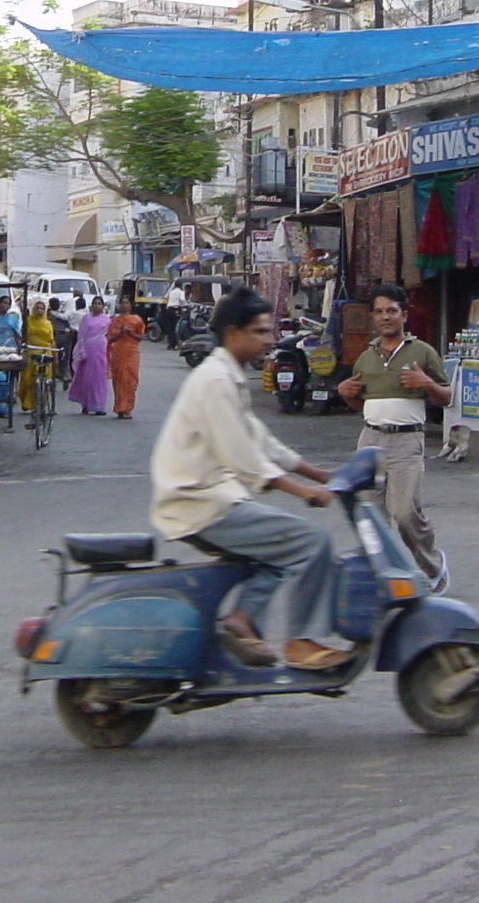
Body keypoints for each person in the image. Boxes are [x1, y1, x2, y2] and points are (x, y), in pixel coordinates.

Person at [150, 286, 350, 671]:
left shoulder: (229, 377)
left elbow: (262, 440)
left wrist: (320, 473)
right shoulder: (214, 381)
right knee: (312, 542)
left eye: (269, 331)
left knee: (278, 552)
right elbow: (244, 459)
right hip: (200, 503)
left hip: (210, 499)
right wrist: (304, 491)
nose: (268, 340)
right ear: (232, 334)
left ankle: (241, 621)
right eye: (260, 331)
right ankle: (301, 642)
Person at [337, 283, 449, 588]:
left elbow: (446, 398)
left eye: (392, 311)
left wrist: (426, 383)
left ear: (404, 315)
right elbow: (359, 404)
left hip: (406, 441)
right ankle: (382, 575)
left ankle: (432, 567)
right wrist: (344, 393)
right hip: (370, 440)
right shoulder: (366, 357)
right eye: (379, 312)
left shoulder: (422, 352)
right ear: (373, 317)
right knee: (370, 515)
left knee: (404, 514)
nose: (385, 317)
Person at [107, 289, 145, 418]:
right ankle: (119, 408)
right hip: (118, 350)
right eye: (122, 303)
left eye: (126, 303)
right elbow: (110, 338)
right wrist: (120, 333)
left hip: (132, 351)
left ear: (131, 305)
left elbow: (140, 337)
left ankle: (127, 408)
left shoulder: (137, 320)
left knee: (130, 380)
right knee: (119, 380)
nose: (124, 305)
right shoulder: (115, 320)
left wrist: (131, 333)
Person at [70, 297, 111, 415]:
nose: (97, 306)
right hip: (87, 350)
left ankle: (99, 405)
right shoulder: (86, 319)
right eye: (95, 303)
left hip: (101, 350)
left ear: (103, 306)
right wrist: (81, 350)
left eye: (99, 304)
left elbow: (110, 335)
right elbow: (81, 335)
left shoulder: (107, 320)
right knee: (86, 378)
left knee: (99, 378)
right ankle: (86, 404)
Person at [18, 299, 57, 416]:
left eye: (42, 308)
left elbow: (52, 340)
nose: (39, 310)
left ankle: (39, 404)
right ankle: (26, 403)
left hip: (46, 353)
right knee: (28, 379)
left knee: (44, 379)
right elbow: (22, 337)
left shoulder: (48, 323)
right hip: (31, 353)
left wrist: (56, 356)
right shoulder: (28, 321)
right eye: (37, 308)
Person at [162, 279, 188, 347]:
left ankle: (170, 343)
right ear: (181, 285)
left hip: (168, 309)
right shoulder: (181, 292)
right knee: (175, 327)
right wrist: (186, 305)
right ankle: (174, 343)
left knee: (170, 327)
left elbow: (166, 297)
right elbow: (182, 300)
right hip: (176, 310)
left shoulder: (171, 292)